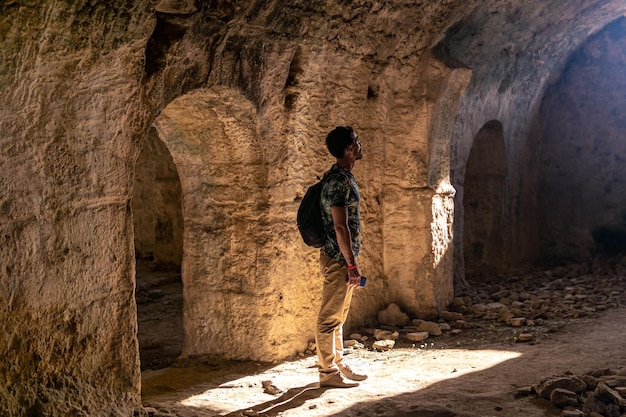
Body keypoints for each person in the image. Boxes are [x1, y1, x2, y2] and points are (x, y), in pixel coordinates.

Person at [316, 126, 367, 388]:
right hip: (338, 260)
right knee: (329, 318)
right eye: (356, 141)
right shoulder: (337, 182)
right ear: (349, 149)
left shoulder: (343, 177)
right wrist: (351, 264)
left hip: (342, 259)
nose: (360, 144)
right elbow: (340, 227)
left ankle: (337, 362)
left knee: (339, 315)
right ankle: (327, 373)